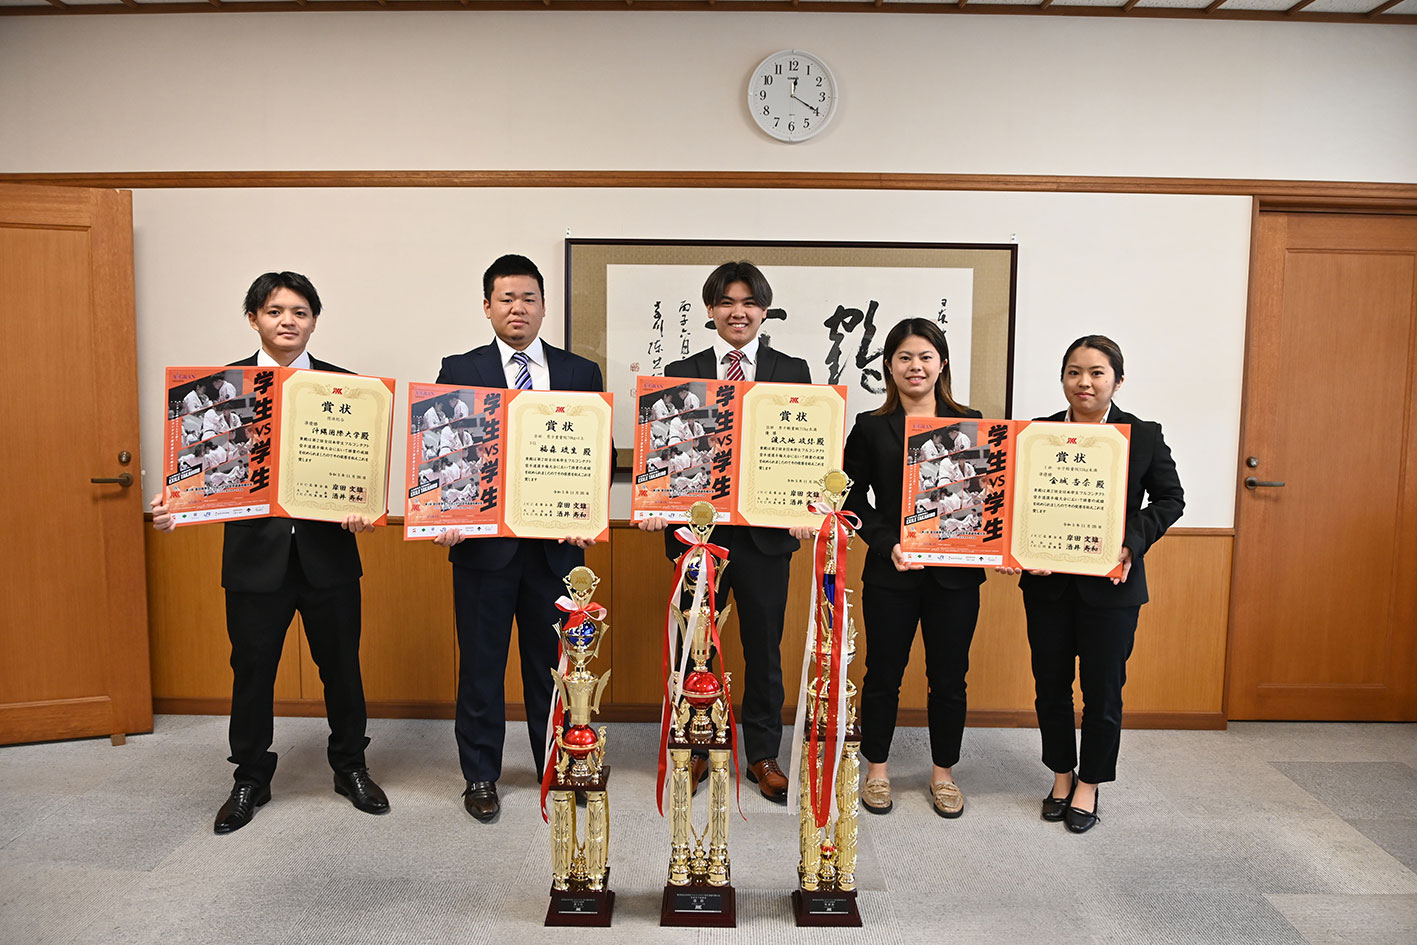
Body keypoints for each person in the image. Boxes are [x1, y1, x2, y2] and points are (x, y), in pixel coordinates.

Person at [149, 271, 387, 835]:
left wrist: (366, 508)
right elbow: (200, 475)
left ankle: (350, 765)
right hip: (255, 562)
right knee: (252, 672)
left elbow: (366, 477)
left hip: (329, 556)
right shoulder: (219, 391)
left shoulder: (349, 390)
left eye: (300, 312)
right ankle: (251, 775)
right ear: (253, 318)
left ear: (313, 320)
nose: (289, 321)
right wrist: (174, 504)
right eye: (276, 311)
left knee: (342, 669)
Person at [433, 254, 604, 824]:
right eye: (506, 299)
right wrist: (442, 515)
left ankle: (555, 764)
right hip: (484, 547)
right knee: (481, 662)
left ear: (544, 306)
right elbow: (444, 454)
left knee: (553, 664)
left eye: (528, 298)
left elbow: (594, 456)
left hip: (557, 547)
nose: (518, 308)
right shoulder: (459, 368)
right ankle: (480, 774)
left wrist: (593, 512)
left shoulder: (580, 373)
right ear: (487, 307)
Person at [638, 260, 813, 803]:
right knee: (695, 648)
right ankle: (696, 747)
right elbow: (665, 451)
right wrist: (653, 500)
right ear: (711, 311)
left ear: (764, 310)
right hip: (699, 533)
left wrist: (807, 508)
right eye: (727, 303)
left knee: (764, 649)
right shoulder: (680, 370)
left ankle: (762, 754)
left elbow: (806, 449)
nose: (739, 312)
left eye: (750, 302)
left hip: (765, 537)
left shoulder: (793, 370)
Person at [997, 335, 1184, 834]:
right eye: (1074, 372)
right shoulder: (1036, 433)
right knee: (1050, 686)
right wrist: (1016, 550)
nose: (1084, 382)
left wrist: (1130, 542)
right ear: (1062, 378)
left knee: (1103, 691)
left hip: (1112, 588)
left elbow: (1170, 499)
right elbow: (1012, 501)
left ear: (1117, 381)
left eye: (1097, 372)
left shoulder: (1141, 435)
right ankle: (1061, 775)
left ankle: (1090, 783)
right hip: (1048, 585)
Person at [843, 317, 984, 819]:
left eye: (925, 356)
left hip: (955, 574)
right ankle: (876, 768)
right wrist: (885, 542)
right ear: (889, 366)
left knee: (950, 677)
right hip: (893, 571)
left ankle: (943, 772)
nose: (915, 366)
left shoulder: (972, 423)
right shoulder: (870, 425)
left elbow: (987, 497)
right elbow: (852, 493)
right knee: (883, 672)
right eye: (904, 357)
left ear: (941, 363)